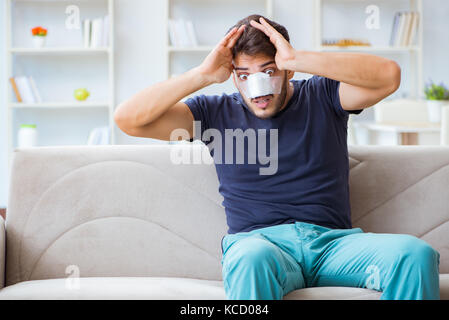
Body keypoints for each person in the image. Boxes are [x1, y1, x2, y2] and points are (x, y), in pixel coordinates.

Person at [114, 14, 440, 300]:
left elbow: (389, 76)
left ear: (288, 71)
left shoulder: (323, 97)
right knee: (250, 258)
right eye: (244, 74)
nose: (258, 87)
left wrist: (300, 58)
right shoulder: (213, 114)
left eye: (268, 71)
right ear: (232, 75)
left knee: (416, 255)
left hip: (333, 245)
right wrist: (201, 75)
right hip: (261, 246)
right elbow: (128, 119)